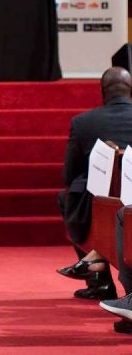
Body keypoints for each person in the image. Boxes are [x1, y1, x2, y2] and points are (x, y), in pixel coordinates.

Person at [56, 67, 132, 301]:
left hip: (94, 206)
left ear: (102, 92)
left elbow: (69, 174)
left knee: (66, 196)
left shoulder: (83, 123)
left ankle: (98, 280)